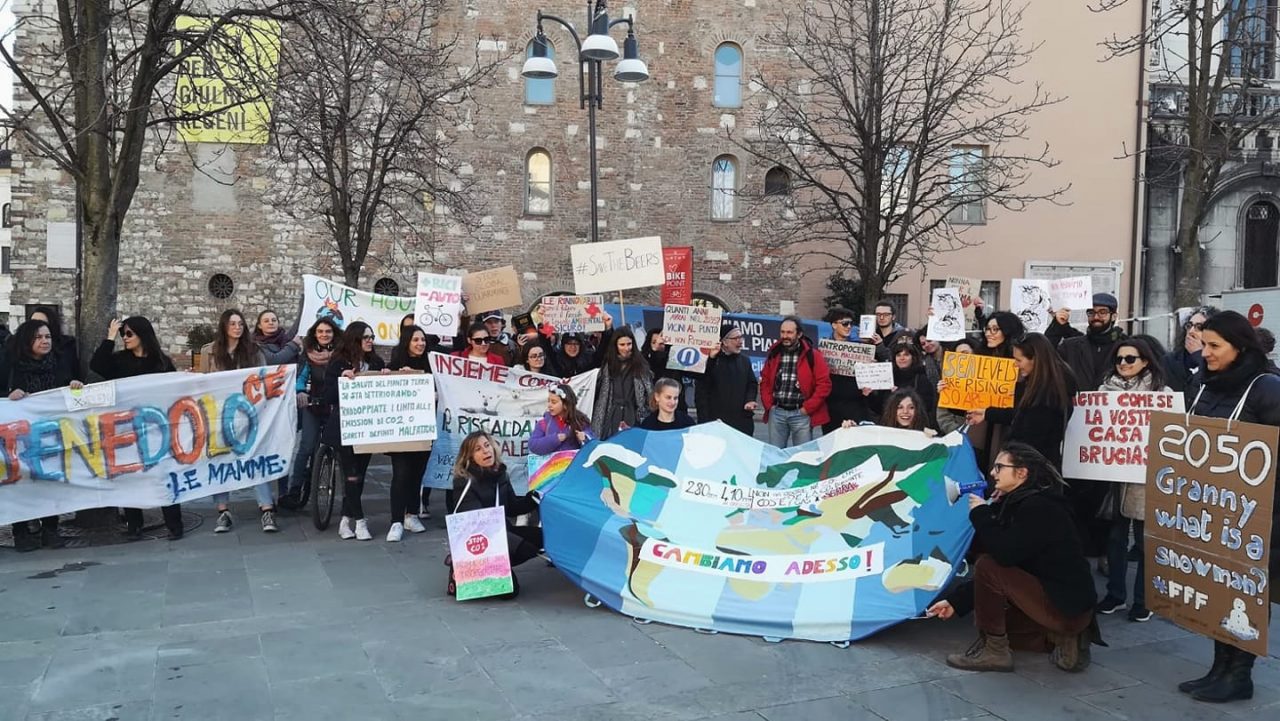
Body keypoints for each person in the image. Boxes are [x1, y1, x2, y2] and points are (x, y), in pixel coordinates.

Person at [1177, 310, 1280, 703]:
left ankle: (1241, 673)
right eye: (1203, 344)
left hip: (1259, 513)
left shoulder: (1267, 388)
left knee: (1248, 591)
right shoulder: (1203, 385)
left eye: (1214, 346)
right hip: (1213, 508)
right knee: (1218, 585)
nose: (1205, 353)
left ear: (1240, 347)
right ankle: (1219, 668)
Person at [928, 443, 1100, 673]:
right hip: (1064, 603)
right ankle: (1061, 638)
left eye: (999, 467)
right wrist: (956, 602)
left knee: (987, 565)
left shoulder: (1038, 508)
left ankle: (996, 653)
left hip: (1066, 606)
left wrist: (981, 514)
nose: (992, 473)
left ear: (1021, 473)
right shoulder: (1026, 502)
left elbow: (1003, 556)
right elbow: (1014, 558)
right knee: (994, 623)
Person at [1094, 338, 1169, 623]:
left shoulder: (1162, 394)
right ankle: (1115, 594)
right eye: (1119, 359)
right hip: (1113, 478)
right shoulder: (1103, 392)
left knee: (1143, 540)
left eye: (1130, 359)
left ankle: (1143, 600)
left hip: (1144, 479)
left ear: (1145, 361)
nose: (1123, 364)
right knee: (1114, 538)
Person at [90, 317, 183, 540]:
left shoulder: (161, 362)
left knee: (162, 475)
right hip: (127, 429)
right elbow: (97, 365)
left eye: (129, 333)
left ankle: (174, 523)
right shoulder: (119, 361)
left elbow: (174, 390)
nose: (125, 338)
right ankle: (134, 523)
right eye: (124, 334)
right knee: (130, 475)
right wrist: (109, 337)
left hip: (156, 429)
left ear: (143, 334)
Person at [2, 319, 85, 551]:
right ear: (27, 340)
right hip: (18, 439)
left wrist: (75, 384)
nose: (45, 341)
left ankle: (51, 529)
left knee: (50, 482)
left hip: (52, 436)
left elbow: (70, 388)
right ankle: (21, 532)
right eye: (39, 337)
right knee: (20, 482)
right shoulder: (11, 364)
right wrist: (9, 394)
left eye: (47, 336)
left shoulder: (60, 362)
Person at [202, 310, 278, 534]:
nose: (237, 327)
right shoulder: (210, 351)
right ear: (224, 326)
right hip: (220, 415)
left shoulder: (253, 351)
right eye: (232, 324)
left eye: (240, 324)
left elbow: (264, 378)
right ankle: (223, 511)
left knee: (255, 457)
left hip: (248, 414)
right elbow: (203, 383)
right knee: (220, 460)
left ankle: (267, 509)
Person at [447, 431, 543, 598]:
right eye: (478, 449)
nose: (486, 451)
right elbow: (476, 524)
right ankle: (460, 568)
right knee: (511, 592)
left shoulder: (500, 474)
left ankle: (499, 564)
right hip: (480, 539)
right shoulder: (465, 482)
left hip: (500, 533)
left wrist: (531, 499)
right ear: (469, 457)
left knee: (543, 538)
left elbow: (512, 507)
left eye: (487, 445)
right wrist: (513, 542)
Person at [966, 333, 1076, 470]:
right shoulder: (1038, 384)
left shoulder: (1049, 394)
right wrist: (987, 413)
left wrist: (1010, 461)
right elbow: (1021, 414)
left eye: (1019, 360)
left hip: (1034, 469)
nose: (1015, 365)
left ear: (1035, 359)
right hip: (1032, 466)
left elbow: (1030, 429)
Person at [323, 321, 387, 541]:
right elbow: (328, 396)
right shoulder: (338, 363)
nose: (370, 341)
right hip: (344, 427)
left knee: (359, 475)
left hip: (368, 428)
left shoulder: (377, 362)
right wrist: (342, 379)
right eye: (366, 337)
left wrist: (388, 377)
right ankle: (360, 521)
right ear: (355, 339)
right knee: (350, 475)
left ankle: (344, 520)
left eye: (372, 337)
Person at [281, 318, 339, 509]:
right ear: (315, 333)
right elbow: (302, 377)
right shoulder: (308, 354)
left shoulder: (340, 353)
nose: (324, 335)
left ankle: (346, 495)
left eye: (328, 331)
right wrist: (300, 392)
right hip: (313, 404)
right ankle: (295, 489)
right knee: (306, 446)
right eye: (320, 331)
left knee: (340, 450)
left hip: (334, 405)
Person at [384, 325, 432, 542]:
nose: (420, 343)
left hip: (424, 427)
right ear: (406, 342)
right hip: (401, 429)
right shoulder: (394, 365)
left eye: (422, 340)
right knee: (401, 473)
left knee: (417, 473)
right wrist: (390, 376)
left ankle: (411, 514)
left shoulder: (432, 364)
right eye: (415, 340)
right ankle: (396, 520)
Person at [760, 316, 832, 447]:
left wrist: (807, 408)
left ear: (799, 334)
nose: (785, 336)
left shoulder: (813, 355)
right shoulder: (774, 353)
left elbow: (824, 384)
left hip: (801, 414)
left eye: (789, 332)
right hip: (777, 412)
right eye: (782, 332)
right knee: (776, 456)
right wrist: (769, 405)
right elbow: (764, 380)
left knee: (802, 457)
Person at [695, 323, 759, 435]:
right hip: (717, 422)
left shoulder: (744, 361)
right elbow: (703, 385)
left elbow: (752, 384)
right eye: (736, 338)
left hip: (741, 422)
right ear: (724, 342)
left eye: (741, 337)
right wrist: (711, 359)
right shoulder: (712, 361)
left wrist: (750, 399)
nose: (740, 341)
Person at [591, 327, 652, 440]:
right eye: (622, 344)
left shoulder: (641, 366)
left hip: (634, 416)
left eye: (629, 344)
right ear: (616, 346)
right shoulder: (607, 366)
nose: (626, 348)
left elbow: (649, 393)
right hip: (611, 416)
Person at [1057, 292, 1127, 390]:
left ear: (1114, 316)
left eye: (1102, 312)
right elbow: (1044, 360)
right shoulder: (1070, 347)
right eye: (1091, 312)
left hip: (1115, 404)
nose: (1096, 317)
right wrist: (1056, 325)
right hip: (1076, 405)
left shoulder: (1127, 347)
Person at [823, 307, 874, 431]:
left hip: (855, 404)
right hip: (831, 406)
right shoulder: (823, 348)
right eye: (845, 323)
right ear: (834, 325)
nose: (849, 327)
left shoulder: (861, 348)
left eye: (851, 323)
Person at [529, 383, 595, 454]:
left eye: (554, 402)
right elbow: (533, 445)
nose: (549, 405)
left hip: (573, 464)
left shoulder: (580, 421)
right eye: (548, 401)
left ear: (565, 405)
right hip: (551, 464)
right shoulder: (543, 423)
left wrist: (585, 438)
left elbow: (594, 442)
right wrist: (556, 439)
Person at [27, 305, 82, 389]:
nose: (37, 327)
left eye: (42, 323)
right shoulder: (18, 351)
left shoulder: (66, 348)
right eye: (33, 323)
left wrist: (74, 384)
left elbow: (72, 376)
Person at [888, 339, 938, 425]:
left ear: (913, 357)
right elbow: (878, 407)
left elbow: (928, 406)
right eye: (898, 355)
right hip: (890, 425)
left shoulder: (922, 378)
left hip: (916, 426)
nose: (902, 358)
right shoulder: (888, 378)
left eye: (906, 355)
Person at [1165, 306, 1215, 392]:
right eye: (1189, 325)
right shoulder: (1169, 360)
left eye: (1199, 327)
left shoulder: (1218, 360)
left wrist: (1198, 355)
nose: (1191, 331)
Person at [641, 328, 690, 415]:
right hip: (654, 408)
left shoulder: (675, 359)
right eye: (654, 342)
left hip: (677, 408)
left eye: (662, 342)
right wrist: (654, 350)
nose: (659, 344)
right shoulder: (644, 359)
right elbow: (649, 362)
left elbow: (697, 373)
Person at [935, 340, 976, 434]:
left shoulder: (989, 381)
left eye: (965, 353)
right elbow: (943, 417)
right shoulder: (948, 381)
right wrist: (959, 434)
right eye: (956, 355)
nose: (961, 358)